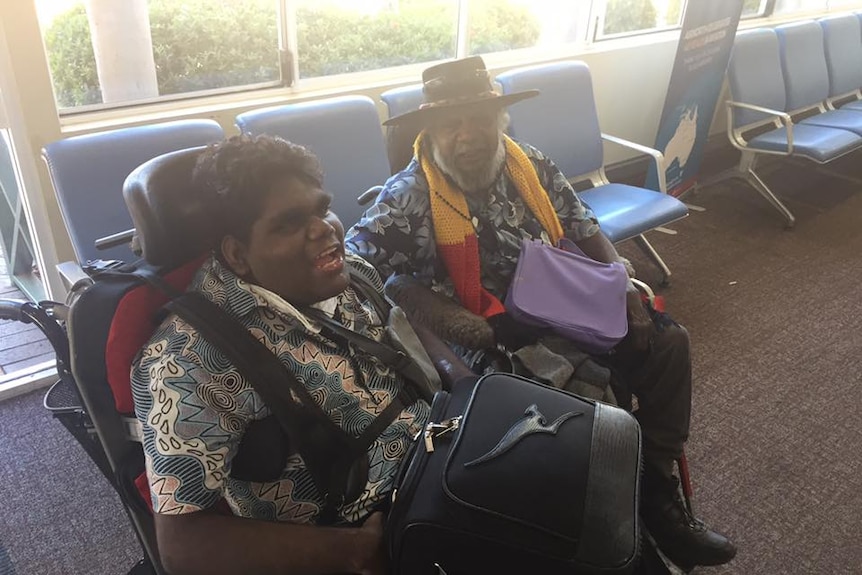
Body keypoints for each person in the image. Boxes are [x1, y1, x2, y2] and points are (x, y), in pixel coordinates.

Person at [346, 55, 737, 570]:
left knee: (668, 343)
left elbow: (583, 224)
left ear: (499, 121)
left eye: (480, 120)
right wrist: (453, 329)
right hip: (490, 331)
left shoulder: (526, 161)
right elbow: (360, 269)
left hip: (567, 301)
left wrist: (622, 288)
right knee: (573, 411)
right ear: (431, 131)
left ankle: (657, 492)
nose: (468, 135)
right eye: (451, 124)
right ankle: (615, 527)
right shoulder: (408, 196)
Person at [130, 134, 473, 575]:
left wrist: (465, 385)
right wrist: (353, 552)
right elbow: (182, 545)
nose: (325, 229)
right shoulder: (190, 360)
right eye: (289, 224)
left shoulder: (351, 274)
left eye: (321, 208)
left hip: (449, 465)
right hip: (368, 538)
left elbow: (406, 328)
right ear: (237, 254)